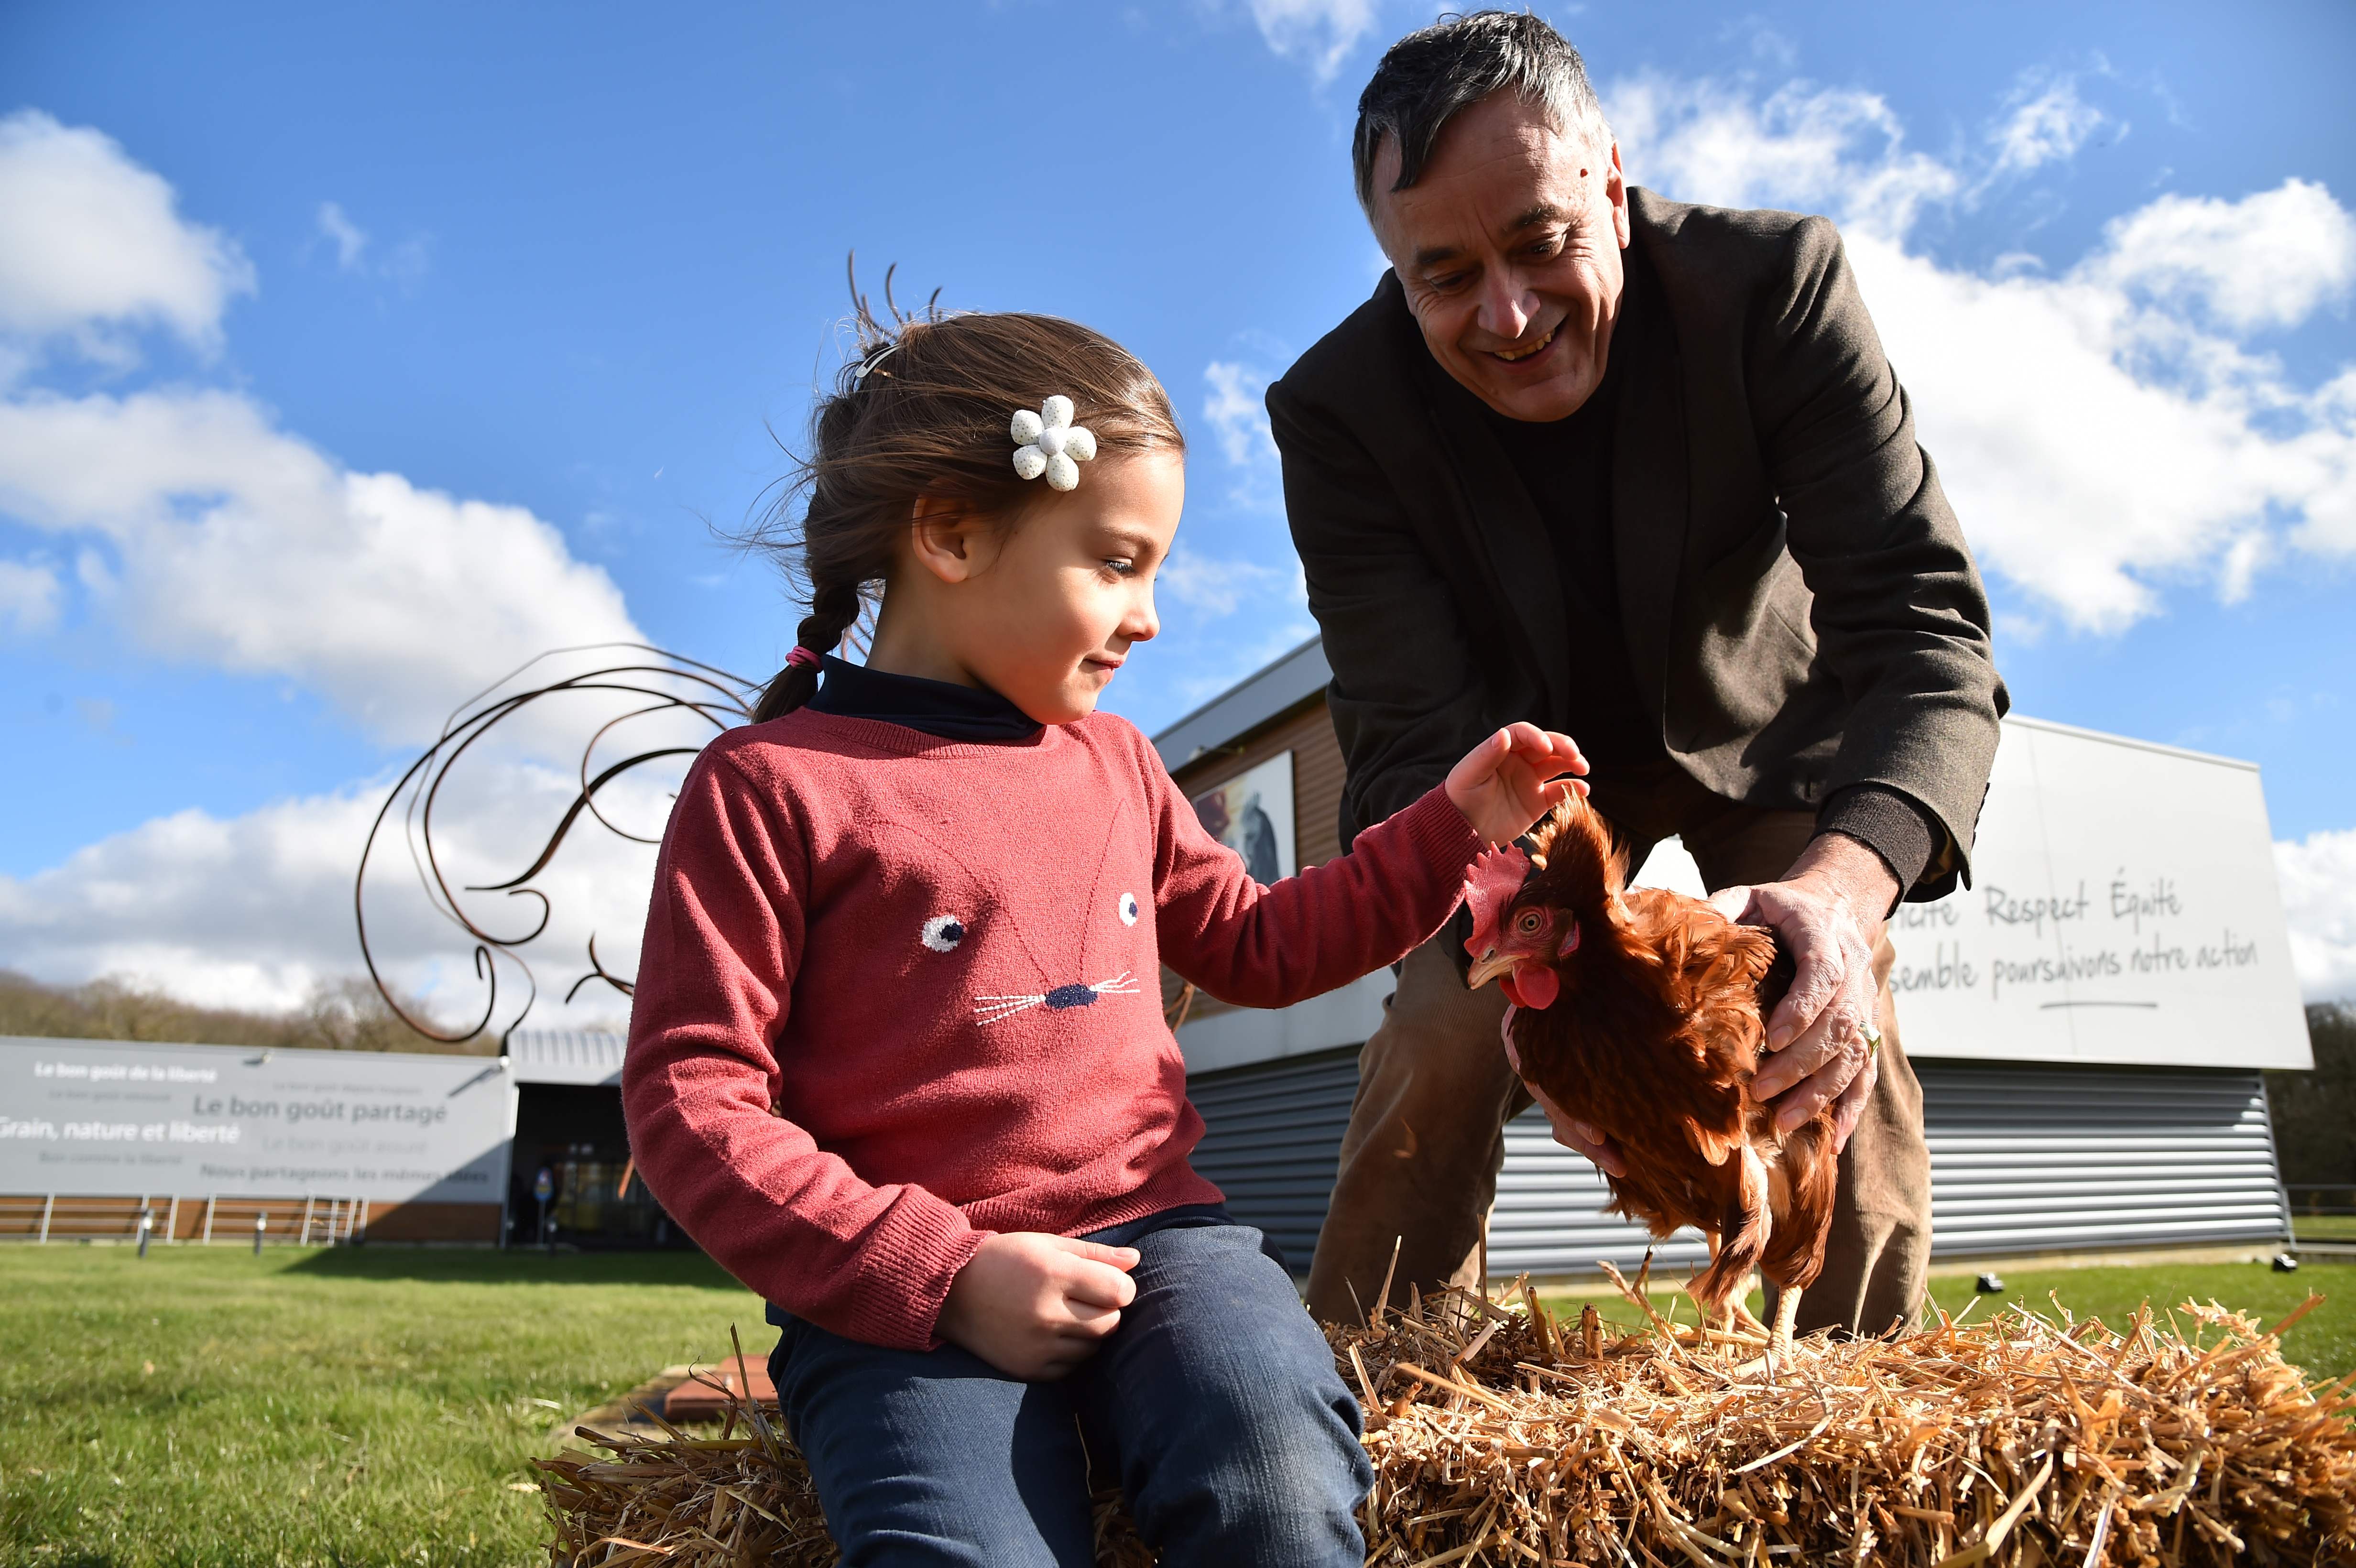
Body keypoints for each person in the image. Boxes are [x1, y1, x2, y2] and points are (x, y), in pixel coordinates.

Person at [621, 298, 1590, 1567]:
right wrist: (945, 1274)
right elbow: (697, 1104)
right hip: (904, 1306)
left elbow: (1262, 943)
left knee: (1276, 1462)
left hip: (1165, 1254)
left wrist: (1453, 822)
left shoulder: (1120, 767)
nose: (1150, 618)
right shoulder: (771, 788)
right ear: (954, 533)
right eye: (1118, 563)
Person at [1270, 12, 2008, 1338]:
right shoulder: (1339, 415)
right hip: (1511, 802)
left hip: (1763, 747)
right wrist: (1550, 1010)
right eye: (1445, 277)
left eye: (1544, 242)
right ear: (1393, 267)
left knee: (1834, 1013)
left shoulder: (1774, 286)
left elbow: (1924, 631)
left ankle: (1859, 1403)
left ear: (1610, 184)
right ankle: (1361, 1401)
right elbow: (1400, 737)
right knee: (1443, 1032)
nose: (1508, 314)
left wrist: (1843, 899)